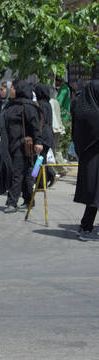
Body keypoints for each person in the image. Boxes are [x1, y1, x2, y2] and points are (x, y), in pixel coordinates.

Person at [2, 80, 43, 213]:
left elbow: (35, 126)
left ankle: (12, 203)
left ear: (19, 89)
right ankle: (29, 200)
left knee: (17, 173)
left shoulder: (28, 106)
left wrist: (38, 142)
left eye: (13, 87)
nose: (11, 90)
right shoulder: (11, 104)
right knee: (25, 173)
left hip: (22, 145)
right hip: (11, 144)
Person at [71, 80, 99, 240]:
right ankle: (86, 228)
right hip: (95, 157)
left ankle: (85, 226)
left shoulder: (82, 110)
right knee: (96, 194)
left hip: (87, 157)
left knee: (95, 194)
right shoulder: (95, 113)